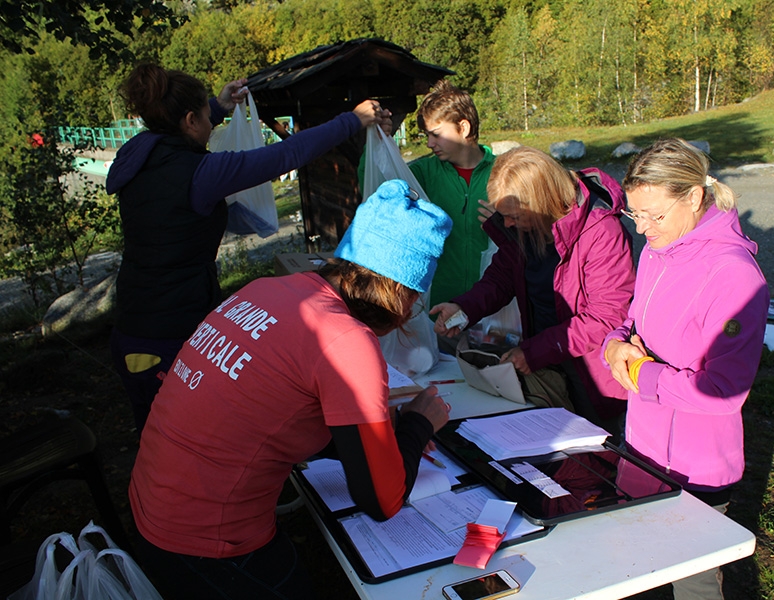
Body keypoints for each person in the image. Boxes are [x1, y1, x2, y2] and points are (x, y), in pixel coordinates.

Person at [129, 179, 453, 599]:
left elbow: (270, 405)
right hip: (210, 541)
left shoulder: (264, 290)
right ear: (398, 291)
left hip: (153, 503)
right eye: (413, 300)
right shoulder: (345, 339)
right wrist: (417, 425)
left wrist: (384, 438)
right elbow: (381, 501)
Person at [106, 63, 388, 432]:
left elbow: (182, 126)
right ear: (190, 120)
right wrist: (351, 120)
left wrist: (220, 105)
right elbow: (285, 156)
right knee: (182, 431)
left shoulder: (138, 153)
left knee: (159, 429)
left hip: (134, 321)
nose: (213, 123)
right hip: (166, 331)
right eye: (208, 117)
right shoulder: (199, 173)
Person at [602, 138, 769, 599]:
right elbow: (631, 322)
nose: (642, 229)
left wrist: (640, 375)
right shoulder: (658, 249)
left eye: (654, 215)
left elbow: (724, 392)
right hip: (641, 451)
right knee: (636, 569)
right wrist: (615, 347)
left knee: (693, 586)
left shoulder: (734, 275)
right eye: (635, 214)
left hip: (695, 470)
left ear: (694, 197)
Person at [431, 146, 635, 432]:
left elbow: (606, 318)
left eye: (513, 215)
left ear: (541, 201)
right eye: (503, 216)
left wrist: (534, 352)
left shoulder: (602, 232)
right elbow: (500, 279)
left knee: (594, 458)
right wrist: (464, 308)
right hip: (546, 362)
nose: (507, 223)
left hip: (590, 374)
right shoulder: (527, 229)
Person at [362, 80, 494, 307]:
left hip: (490, 307)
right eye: (427, 135)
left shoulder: (504, 174)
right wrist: (378, 142)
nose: (430, 143)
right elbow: (379, 185)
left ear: (464, 128)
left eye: (436, 134)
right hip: (437, 307)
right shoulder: (423, 174)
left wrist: (507, 225)